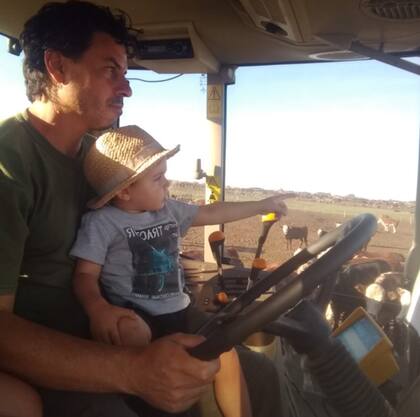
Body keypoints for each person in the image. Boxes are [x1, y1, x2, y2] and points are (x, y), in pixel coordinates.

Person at [0, 1, 284, 417]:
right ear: (57, 68)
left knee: (260, 372)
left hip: (123, 326)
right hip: (59, 352)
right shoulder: (11, 161)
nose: (127, 89)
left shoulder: (99, 161)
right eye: (111, 71)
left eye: (126, 74)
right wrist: (133, 370)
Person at [70, 125, 289, 417]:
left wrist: (261, 206)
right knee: (130, 334)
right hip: (136, 312)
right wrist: (98, 309)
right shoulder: (102, 224)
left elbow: (212, 212)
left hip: (180, 309)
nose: (167, 183)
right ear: (124, 191)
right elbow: (85, 275)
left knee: (227, 354)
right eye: (158, 178)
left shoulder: (168, 210)